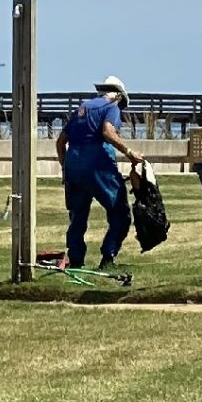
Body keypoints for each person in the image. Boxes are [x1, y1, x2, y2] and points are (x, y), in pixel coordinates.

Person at [55, 75, 147, 269]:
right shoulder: (111, 107)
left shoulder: (82, 108)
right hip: (98, 164)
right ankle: (108, 257)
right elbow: (107, 131)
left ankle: (76, 260)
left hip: (74, 165)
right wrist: (129, 152)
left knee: (77, 216)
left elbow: (60, 141)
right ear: (119, 96)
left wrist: (66, 168)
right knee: (120, 213)